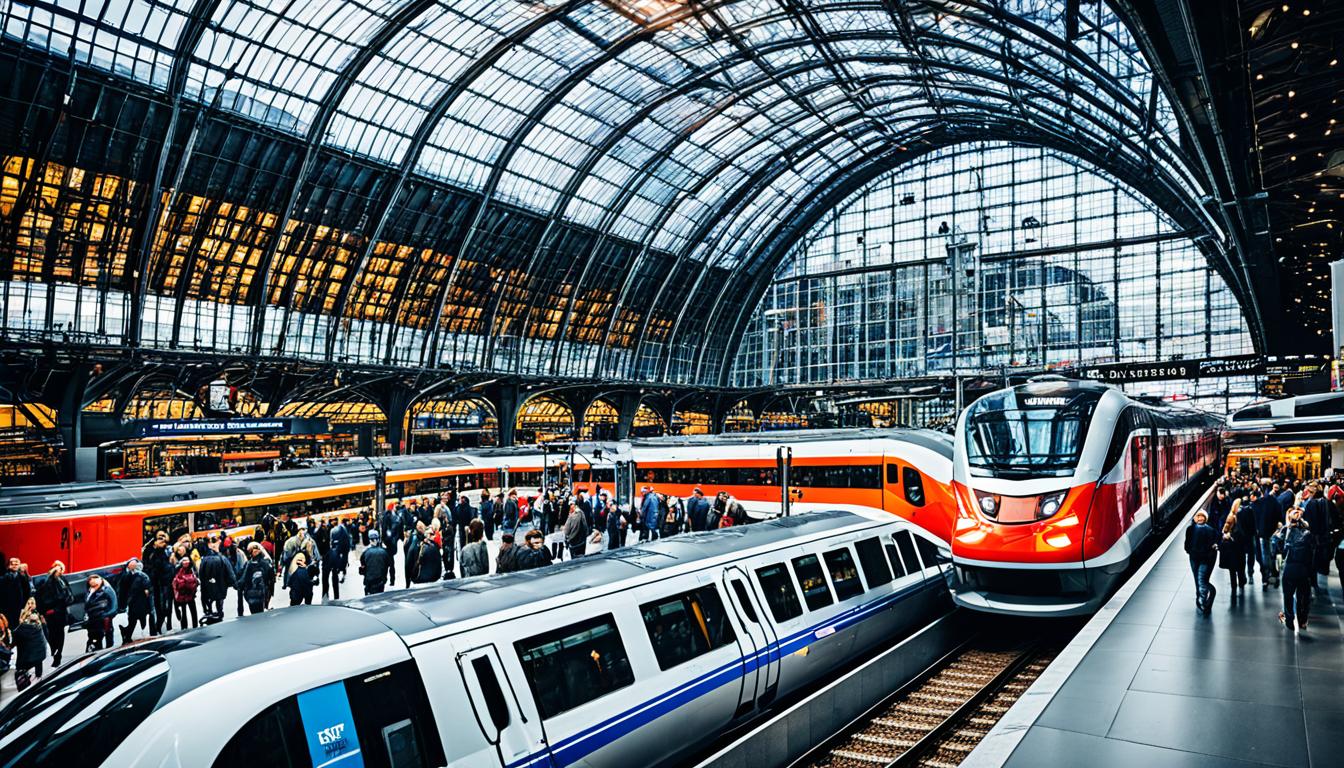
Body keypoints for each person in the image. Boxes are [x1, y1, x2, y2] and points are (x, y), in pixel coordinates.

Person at [1274, 505, 1316, 632]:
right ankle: (1303, 621)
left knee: (1288, 595)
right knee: (1303, 597)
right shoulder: (1308, 534)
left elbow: (1276, 545)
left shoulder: (1284, 531)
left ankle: (1289, 620)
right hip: (1304, 569)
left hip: (1289, 568)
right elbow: (1312, 552)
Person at [35, 562, 71, 666]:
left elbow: (67, 595)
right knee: (51, 633)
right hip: (49, 612)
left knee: (59, 633)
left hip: (60, 611)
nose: (58, 570)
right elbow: (39, 596)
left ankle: (58, 654)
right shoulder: (45, 580)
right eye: (55, 567)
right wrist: (41, 612)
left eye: (60, 568)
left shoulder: (63, 580)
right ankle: (54, 650)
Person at [1183, 509, 1219, 615]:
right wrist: (1189, 551)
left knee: (1201, 580)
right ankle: (1200, 598)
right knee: (1197, 580)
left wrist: (1208, 554)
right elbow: (1187, 544)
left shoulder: (1211, 531)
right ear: (1195, 518)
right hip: (1194, 558)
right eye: (1198, 516)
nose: (1200, 518)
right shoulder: (1190, 529)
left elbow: (1215, 544)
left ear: (1205, 518)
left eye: (1202, 516)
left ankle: (1203, 602)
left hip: (1205, 560)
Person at [1300, 484, 1333, 594]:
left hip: (1312, 537)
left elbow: (1308, 522)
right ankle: (1314, 583)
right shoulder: (1326, 502)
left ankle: (1311, 583)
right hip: (1322, 537)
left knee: (1310, 562)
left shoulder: (1311, 504)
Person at [143, 532, 175, 634]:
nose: (162, 541)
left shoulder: (167, 551)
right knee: (155, 608)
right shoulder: (150, 551)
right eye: (160, 538)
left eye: (164, 539)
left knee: (166, 606)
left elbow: (167, 567)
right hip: (154, 583)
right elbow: (149, 567)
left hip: (166, 582)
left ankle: (164, 625)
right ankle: (155, 629)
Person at [116, 558, 153, 643]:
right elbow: (147, 590)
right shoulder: (136, 576)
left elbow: (147, 590)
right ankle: (129, 635)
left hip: (136, 602)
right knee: (138, 620)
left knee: (135, 620)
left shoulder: (135, 576)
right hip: (137, 603)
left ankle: (127, 634)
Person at [1251, 487, 1282, 588]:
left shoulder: (1256, 504)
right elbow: (1279, 517)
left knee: (1263, 555)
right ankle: (1274, 574)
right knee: (1272, 553)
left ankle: (1265, 576)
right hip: (1273, 533)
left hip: (1260, 534)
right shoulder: (1275, 502)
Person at [12, 599, 46, 691]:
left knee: (30, 674)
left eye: (32, 603)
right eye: (28, 603)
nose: (30, 605)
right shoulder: (23, 615)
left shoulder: (35, 616)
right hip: (30, 652)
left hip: (33, 652)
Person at [197, 537, 234, 620]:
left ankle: (209, 611)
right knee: (219, 599)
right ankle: (219, 612)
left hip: (208, 584)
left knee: (209, 598)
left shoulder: (204, 560)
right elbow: (229, 571)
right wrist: (232, 582)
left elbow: (201, 574)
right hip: (220, 584)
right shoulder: (221, 558)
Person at [1218, 509, 1248, 597]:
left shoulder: (1227, 530)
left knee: (1233, 571)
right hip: (1238, 554)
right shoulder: (1239, 529)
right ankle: (1240, 584)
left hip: (1233, 555)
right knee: (1240, 570)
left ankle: (1234, 586)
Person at [84, 574, 117, 651]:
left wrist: (106, 615)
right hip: (92, 620)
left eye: (95, 578)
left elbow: (114, 606)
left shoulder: (107, 590)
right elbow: (87, 606)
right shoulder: (89, 592)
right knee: (94, 639)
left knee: (107, 636)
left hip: (103, 618)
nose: (92, 581)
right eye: (90, 580)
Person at [238, 543, 274, 614]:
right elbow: (271, 580)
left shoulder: (248, 564)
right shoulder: (265, 563)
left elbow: (242, 578)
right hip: (260, 594)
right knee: (260, 613)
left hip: (251, 594)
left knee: (254, 612)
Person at [0, 557, 32, 631]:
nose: (14, 565)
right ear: (8, 566)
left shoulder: (23, 578)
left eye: (16, 564)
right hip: (7, 610)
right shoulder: (3, 578)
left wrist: (24, 608)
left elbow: (27, 592)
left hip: (20, 609)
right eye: (12, 564)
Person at [171, 558, 200, 629]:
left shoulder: (178, 569)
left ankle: (184, 627)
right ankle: (195, 625)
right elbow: (197, 580)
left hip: (182, 594)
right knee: (192, 610)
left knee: (184, 610)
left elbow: (176, 583)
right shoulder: (191, 568)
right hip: (190, 593)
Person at [330, 518, 352, 585]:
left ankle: (340, 570)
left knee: (339, 559)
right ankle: (343, 570)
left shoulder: (333, 530)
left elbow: (332, 541)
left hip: (339, 548)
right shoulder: (343, 528)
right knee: (344, 558)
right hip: (344, 547)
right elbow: (347, 537)